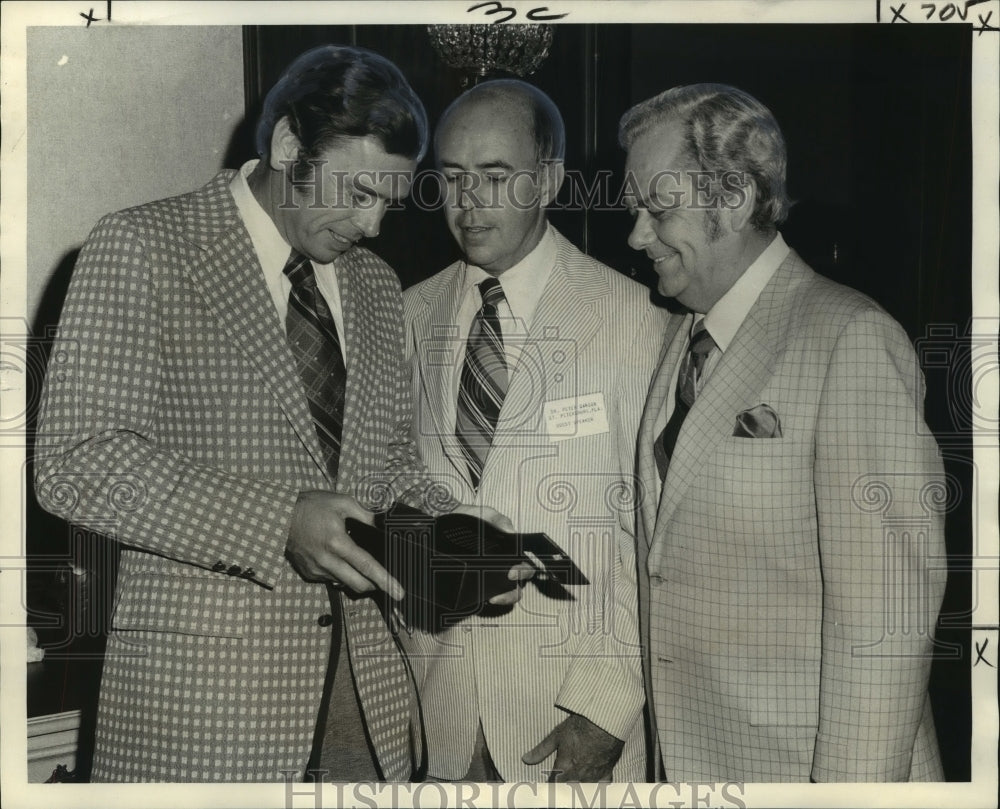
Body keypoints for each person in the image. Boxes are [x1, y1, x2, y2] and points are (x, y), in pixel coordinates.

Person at [33, 44, 466, 783]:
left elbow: (390, 463)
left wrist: (449, 530)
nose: (374, 224)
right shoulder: (142, 246)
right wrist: (277, 521)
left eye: (389, 200)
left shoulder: (375, 286)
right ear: (289, 144)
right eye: (359, 191)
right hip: (203, 718)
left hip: (367, 710)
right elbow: (74, 461)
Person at [621, 83, 947, 782]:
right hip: (698, 763)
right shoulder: (682, 332)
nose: (636, 236)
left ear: (734, 198)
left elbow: (885, 627)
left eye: (659, 208)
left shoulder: (851, 337)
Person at [400, 79, 667, 782]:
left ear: (548, 179)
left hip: (571, 718)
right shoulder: (404, 315)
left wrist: (605, 711)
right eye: (451, 178)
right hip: (436, 719)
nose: (468, 203)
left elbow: (653, 537)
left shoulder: (637, 318)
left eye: (495, 176)